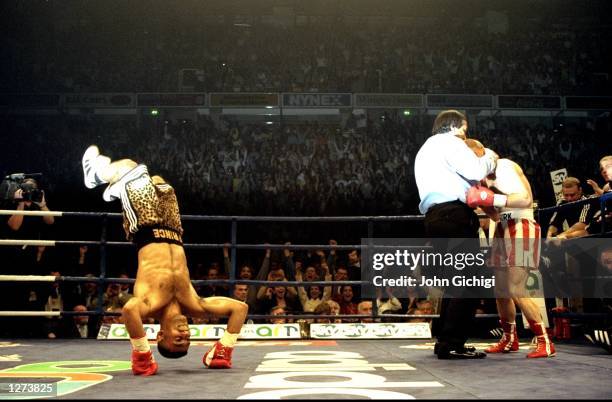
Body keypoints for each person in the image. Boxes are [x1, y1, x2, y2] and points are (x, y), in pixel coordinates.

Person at [82, 145, 248, 376]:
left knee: (132, 168)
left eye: (177, 340)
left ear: (160, 335)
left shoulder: (151, 305)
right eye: (187, 341)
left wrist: (142, 354)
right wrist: (222, 350)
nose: (185, 336)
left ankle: (94, 176)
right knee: (160, 182)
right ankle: (117, 188)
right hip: (173, 229)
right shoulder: (195, 304)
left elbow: (129, 309)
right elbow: (240, 308)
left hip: (145, 224)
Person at [414, 109, 498, 360]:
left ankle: (446, 340)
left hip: (435, 218)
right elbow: (475, 170)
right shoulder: (451, 142)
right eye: (464, 128)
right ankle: (452, 343)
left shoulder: (426, 148)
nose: (465, 134)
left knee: (455, 281)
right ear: (454, 126)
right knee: (469, 281)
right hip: (454, 216)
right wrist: (490, 158)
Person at [465, 139, 555, 358]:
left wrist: (489, 196)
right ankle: (509, 338)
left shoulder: (504, 166)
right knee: (501, 290)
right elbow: (495, 213)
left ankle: (544, 340)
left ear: (479, 153)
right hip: (501, 227)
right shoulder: (484, 176)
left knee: (517, 287)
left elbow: (524, 200)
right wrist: (482, 203)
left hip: (521, 225)